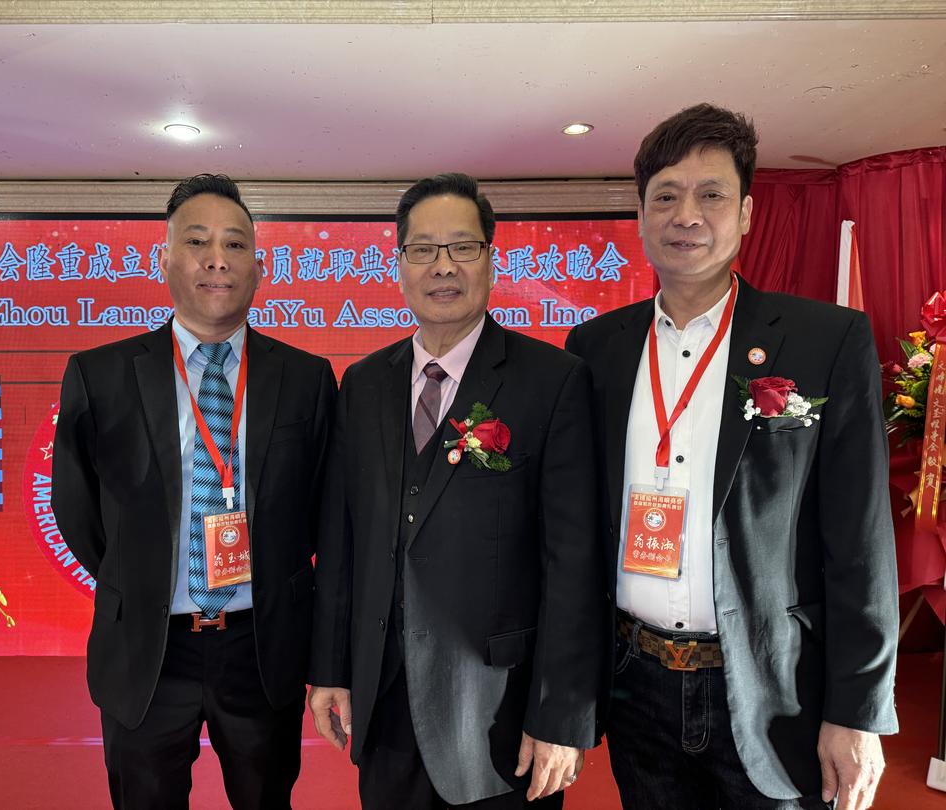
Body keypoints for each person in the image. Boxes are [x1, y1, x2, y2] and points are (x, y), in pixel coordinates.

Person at [565, 104, 898, 810]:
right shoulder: (595, 348)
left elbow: (861, 542)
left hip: (773, 684)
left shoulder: (825, 340)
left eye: (711, 194)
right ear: (641, 215)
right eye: (665, 197)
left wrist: (859, 709)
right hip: (635, 679)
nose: (686, 215)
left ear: (746, 213)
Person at [308, 172, 607, 809]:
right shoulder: (363, 384)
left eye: (462, 247)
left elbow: (573, 563)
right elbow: (342, 542)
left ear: (491, 259)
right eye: (423, 249)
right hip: (384, 703)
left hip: (499, 713)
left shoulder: (552, 381)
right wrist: (331, 668)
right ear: (399, 266)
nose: (442, 267)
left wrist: (561, 714)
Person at [52, 174, 336, 809]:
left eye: (235, 244)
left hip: (261, 645)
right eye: (197, 241)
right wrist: (144, 577)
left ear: (258, 267)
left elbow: (321, 510)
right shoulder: (99, 374)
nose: (217, 259)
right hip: (147, 648)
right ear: (164, 260)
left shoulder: (307, 378)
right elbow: (78, 509)